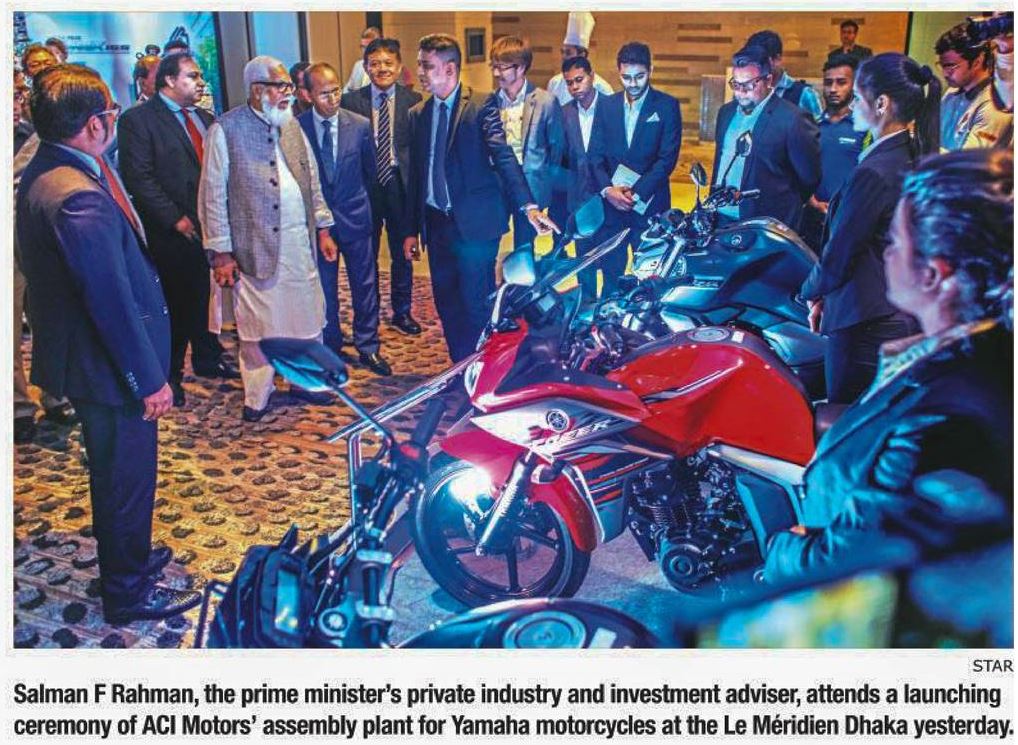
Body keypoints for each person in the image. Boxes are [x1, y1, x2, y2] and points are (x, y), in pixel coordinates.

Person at [766, 149, 1013, 582]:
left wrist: (784, 549)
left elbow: (856, 556)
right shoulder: (970, 357)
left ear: (934, 275)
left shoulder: (944, 419)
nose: (886, 254)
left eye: (893, 241)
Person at [16, 65, 201, 623]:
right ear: (95, 124)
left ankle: (130, 557)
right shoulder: (77, 197)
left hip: (89, 360)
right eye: (111, 115)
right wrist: (148, 380)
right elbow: (111, 302)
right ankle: (127, 590)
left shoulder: (48, 167)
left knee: (114, 473)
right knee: (125, 479)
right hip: (108, 367)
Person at [197, 55, 339, 421]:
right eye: (281, 87)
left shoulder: (292, 125)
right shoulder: (225, 129)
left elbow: (312, 182)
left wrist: (324, 227)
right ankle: (257, 396)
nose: (288, 93)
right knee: (259, 329)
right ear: (258, 90)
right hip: (254, 251)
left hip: (299, 249)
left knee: (307, 320)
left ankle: (307, 383)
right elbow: (212, 195)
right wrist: (221, 252)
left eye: (289, 86)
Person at [403, 33, 556, 362]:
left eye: (426, 66)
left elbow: (503, 156)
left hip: (475, 226)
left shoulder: (481, 104)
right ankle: (460, 366)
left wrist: (528, 206)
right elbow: (416, 175)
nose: (420, 72)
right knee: (446, 302)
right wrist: (410, 230)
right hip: (437, 225)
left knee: (475, 304)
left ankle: (482, 367)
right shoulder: (418, 113)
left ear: (449, 69)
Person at [802, 53, 941, 405]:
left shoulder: (875, 171)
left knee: (846, 417)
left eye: (858, 97)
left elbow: (841, 253)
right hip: (894, 310)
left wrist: (808, 291)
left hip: (867, 319)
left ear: (881, 104)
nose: (853, 106)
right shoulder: (911, 154)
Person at [119, 52, 237, 409]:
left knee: (205, 299)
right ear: (169, 80)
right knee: (175, 308)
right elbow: (139, 178)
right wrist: (175, 219)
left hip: (208, 227)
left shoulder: (205, 119)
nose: (201, 82)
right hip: (170, 233)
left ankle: (207, 357)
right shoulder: (138, 120)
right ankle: (169, 375)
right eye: (193, 76)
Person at [299, 63, 391, 377]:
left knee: (365, 286)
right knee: (324, 290)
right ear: (308, 95)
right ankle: (331, 345)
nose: (333, 98)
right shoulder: (297, 129)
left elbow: (371, 174)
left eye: (336, 90)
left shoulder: (360, 125)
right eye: (324, 93)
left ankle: (368, 346)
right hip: (319, 225)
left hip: (356, 218)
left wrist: (371, 215)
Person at [341, 37, 423, 337]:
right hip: (366, 187)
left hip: (400, 185)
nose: (382, 69)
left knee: (403, 252)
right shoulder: (351, 102)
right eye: (374, 64)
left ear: (399, 67)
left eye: (388, 63)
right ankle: (369, 312)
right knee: (367, 254)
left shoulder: (414, 101)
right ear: (365, 68)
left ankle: (402, 311)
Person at [588, 41, 681, 297]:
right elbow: (594, 155)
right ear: (618, 72)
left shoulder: (666, 106)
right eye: (626, 77)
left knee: (650, 281)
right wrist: (608, 191)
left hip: (649, 206)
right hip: (612, 208)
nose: (633, 84)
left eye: (639, 76)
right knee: (611, 279)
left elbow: (667, 159)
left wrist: (635, 193)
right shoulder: (606, 105)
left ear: (651, 70)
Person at [13, 71, 76, 443]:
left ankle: (55, 391)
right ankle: (18, 406)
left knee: (49, 316)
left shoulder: (34, 133)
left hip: (35, 236)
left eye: (18, 93)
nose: (16, 101)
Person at [711, 45, 821, 232]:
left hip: (765, 224)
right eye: (736, 84)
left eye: (749, 84)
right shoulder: (725, 113)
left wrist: (782, 204)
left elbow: (809, 178)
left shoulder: (792, 119)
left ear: (768, 80)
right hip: (720, 220)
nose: (741, 92)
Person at [489, 35, 564, 250]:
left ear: (520, 67)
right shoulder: (490, 101)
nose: (496, 73)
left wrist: (544, 180)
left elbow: (556, 149)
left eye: (502, 67)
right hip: (498, 182)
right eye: (494, 66)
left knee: (525, 246)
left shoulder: (545, 101)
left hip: (532, 184)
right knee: (490, 243)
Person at [801, 54, 867, 250]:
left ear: (854, 85)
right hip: (813, 220)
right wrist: (811, 201)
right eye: (828, 83)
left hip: (849, 221)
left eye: (841, 82)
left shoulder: (864, 128)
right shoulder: (811, 126)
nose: (833, 89)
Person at [560, 55, 609, 301]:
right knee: (584, 264)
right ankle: (587, 307)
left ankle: (610, 309)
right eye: (569, 83)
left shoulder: (612, 107)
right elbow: (562, 161)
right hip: (579, 203)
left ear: (592, 76)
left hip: (609, 200)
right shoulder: (564, 113)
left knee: (612, 263)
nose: (575, 87)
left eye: (579, 80)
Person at [935, 23, 1013, 151]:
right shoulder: (952, 92)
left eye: (950, 66)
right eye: (942, 66)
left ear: (977, 62)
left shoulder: (995, 104)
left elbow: (969, 161)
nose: (944, 74)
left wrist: (924, 148)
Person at [747, 30, 823, 119]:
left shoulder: (804, 94)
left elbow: (818, 127)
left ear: (777, 59)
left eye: (761, 61)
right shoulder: (746, 91)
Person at [546, 12, 614, 106]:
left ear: (582, 54)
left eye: (568, 53)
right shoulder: (554, 84)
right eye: (562, 52)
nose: (563, 57)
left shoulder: (603, 89)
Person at [344, 26, 381, 94]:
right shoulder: (358, 65)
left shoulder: (384, 68)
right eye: (363, 47)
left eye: (368, 47)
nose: (365, 51)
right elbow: (348, 89)